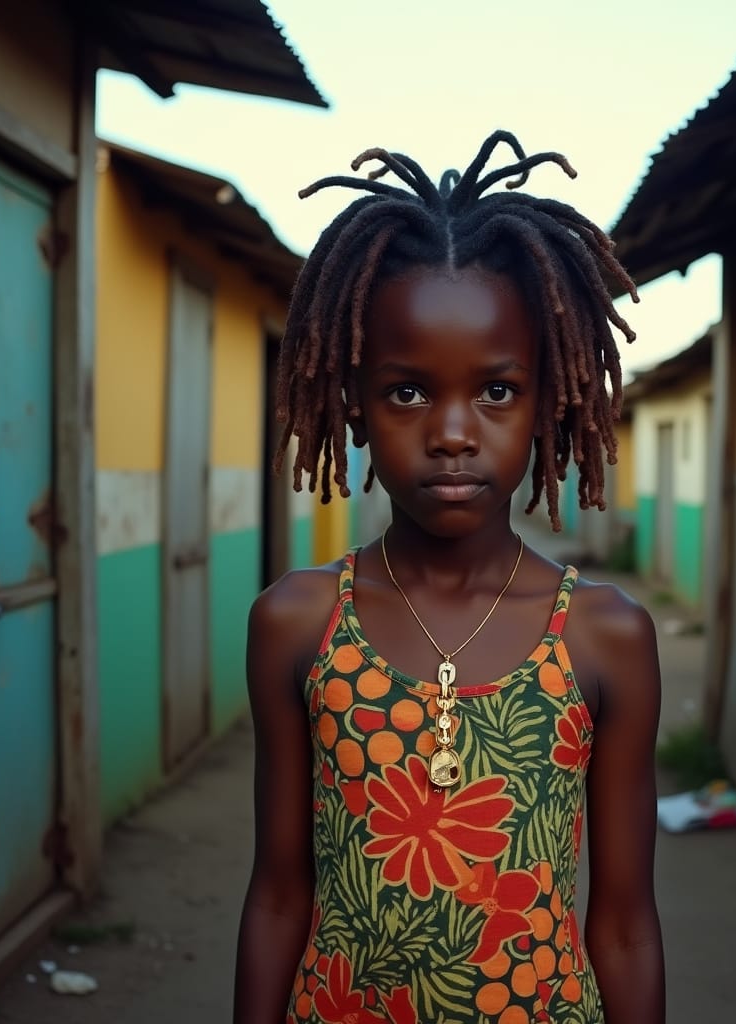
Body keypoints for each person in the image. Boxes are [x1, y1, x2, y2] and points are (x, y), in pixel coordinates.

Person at [234, 131, 664, 1024]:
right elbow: (278, 896)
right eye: (407, 392)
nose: (454, 431)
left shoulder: (605, 637)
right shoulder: (296, 624)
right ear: (350, 397)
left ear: (552, 399)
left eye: (497, 391)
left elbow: (621, 927)